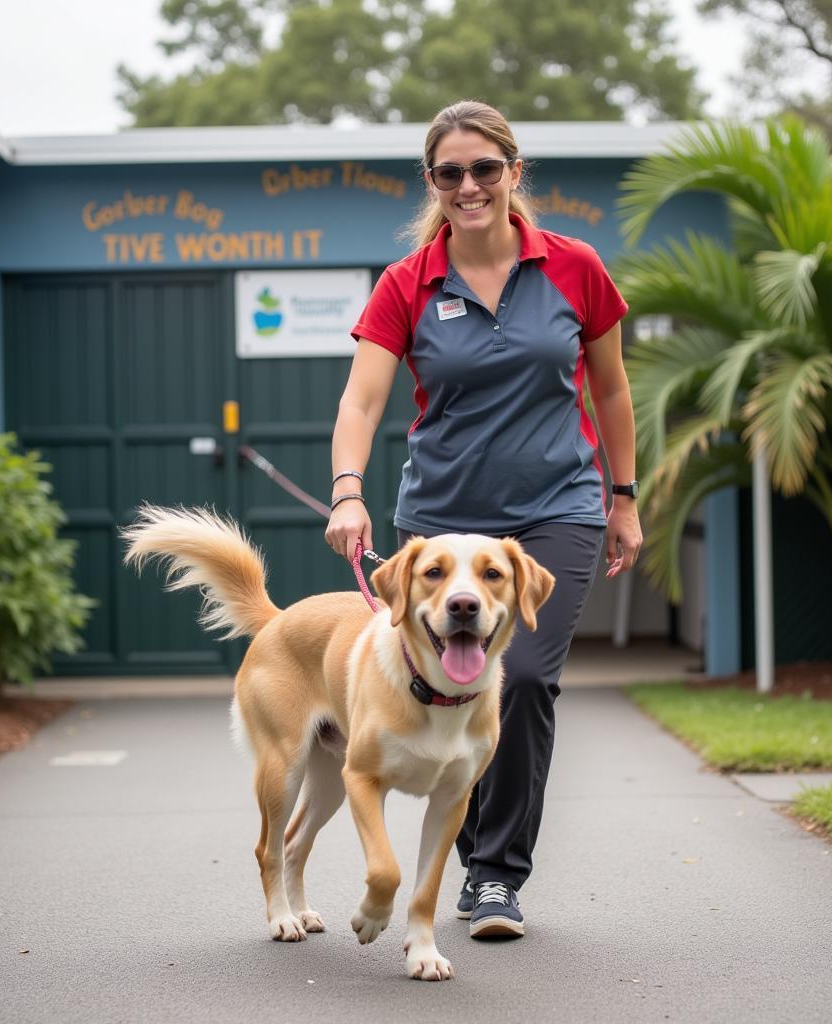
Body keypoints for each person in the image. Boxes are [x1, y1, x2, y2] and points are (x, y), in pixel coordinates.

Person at [325, 99, 642, 939]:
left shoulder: (574, 265)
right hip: (440, 521)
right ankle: (449, 850)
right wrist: (348, 487)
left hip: (555, 509)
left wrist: (624, 496)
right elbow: (362, 397)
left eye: (484, 168)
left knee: (527, 676)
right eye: (450, 172)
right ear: (433, 183)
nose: (469, 186)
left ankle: (496, 875)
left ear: (513, 170)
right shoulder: (409, 282)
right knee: (440, 683)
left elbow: (609, 389)